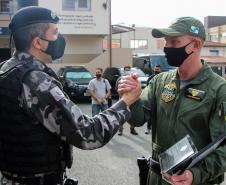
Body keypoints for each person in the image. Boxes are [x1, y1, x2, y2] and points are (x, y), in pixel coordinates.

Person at [0, 6, 141, 185]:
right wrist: (126, 101)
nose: (60, 38)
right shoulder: (34, 80)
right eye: (55, 33)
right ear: (38, 42)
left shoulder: (6, 69)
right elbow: (88, 134)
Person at [118, 17, 226, 185]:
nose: (167, 47)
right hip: (156, 178)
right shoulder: (160, 81)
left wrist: (195, 174)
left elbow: (223, 148)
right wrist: (129, 98)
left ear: (196, 45)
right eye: (166, 41)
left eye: (174, 42)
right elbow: (137, 119)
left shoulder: (219, 90)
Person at [118, 66, 139, 136]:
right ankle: (120, 130)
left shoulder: (134, 79)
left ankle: (132, 129)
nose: (128, 71)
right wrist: (122, 99)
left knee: (133, 115)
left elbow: (137, 89)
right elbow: (117, 89)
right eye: (126, 70)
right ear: (123, 71)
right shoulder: (120, 79)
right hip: (122, 100)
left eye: (129, 70)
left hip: (132, 101)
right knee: (121, 116)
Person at [144, 65, 162, 134]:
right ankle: (148, 128)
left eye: (157, 69)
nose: (156, 70)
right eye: (155, 69)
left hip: (161, 99)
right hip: (152, 99)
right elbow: (147, 88)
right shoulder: (151, 78)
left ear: (160, 70)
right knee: (150, 115)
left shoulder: (163, 78)